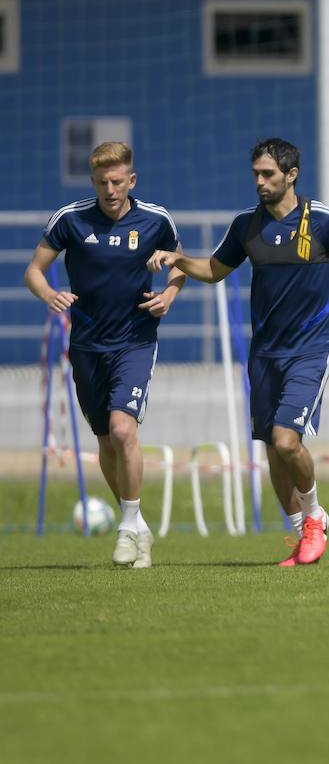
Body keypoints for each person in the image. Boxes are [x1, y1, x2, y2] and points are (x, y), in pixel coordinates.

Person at [147, 138, 329, 566]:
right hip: (264, 353)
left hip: (311, 348)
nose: (259, 181)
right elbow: (215, 271)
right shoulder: (245, 225)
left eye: (268, 174)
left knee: (288, 440)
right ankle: (301, 533)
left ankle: (314, 518)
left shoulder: (322, 219)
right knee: (272, 448)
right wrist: (176, 259)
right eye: (255, 173)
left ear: (291, 175)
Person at [25, 142, 184, 568]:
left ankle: (127, 527)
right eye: (101, 182)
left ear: (131, 180)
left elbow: (180, 263)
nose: (109, 189)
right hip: (86, 347)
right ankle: (138, 528)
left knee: (122, 430)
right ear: (93, 182)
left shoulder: (155, 219)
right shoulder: (70, 219)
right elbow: (33, 271)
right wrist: (50, 294)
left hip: (134, 340)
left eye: (117, 181)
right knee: (106, 445)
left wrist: (168, 293)